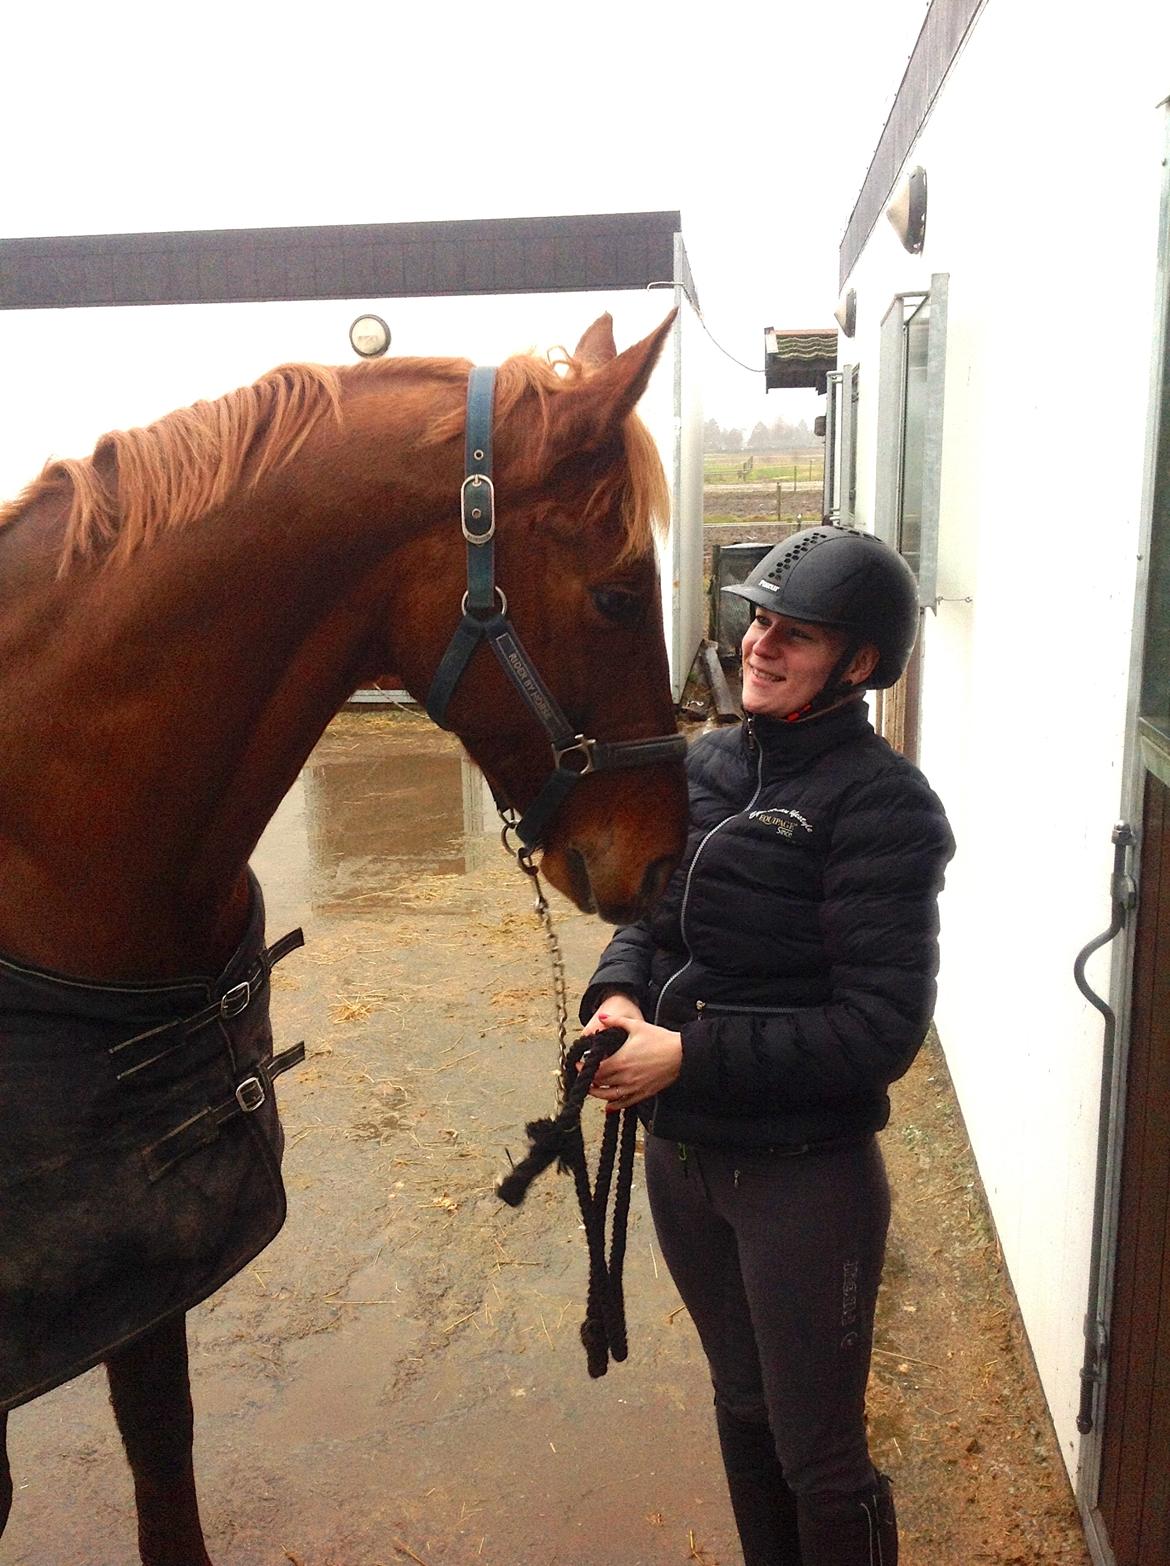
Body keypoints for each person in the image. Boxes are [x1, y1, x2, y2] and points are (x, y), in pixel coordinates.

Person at [578, 524, 955, 1565]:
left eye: (797, 634)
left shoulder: (883, 806)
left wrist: (689, 1056)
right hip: (682, 1162)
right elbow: (652, 918)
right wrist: (617, 999)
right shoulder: (706, 764)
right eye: (759, 620)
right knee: (741, 1409)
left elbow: (879, 1030)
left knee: (821, 1457)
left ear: (861, 664)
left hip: (802, 1181)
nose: (760, 643)